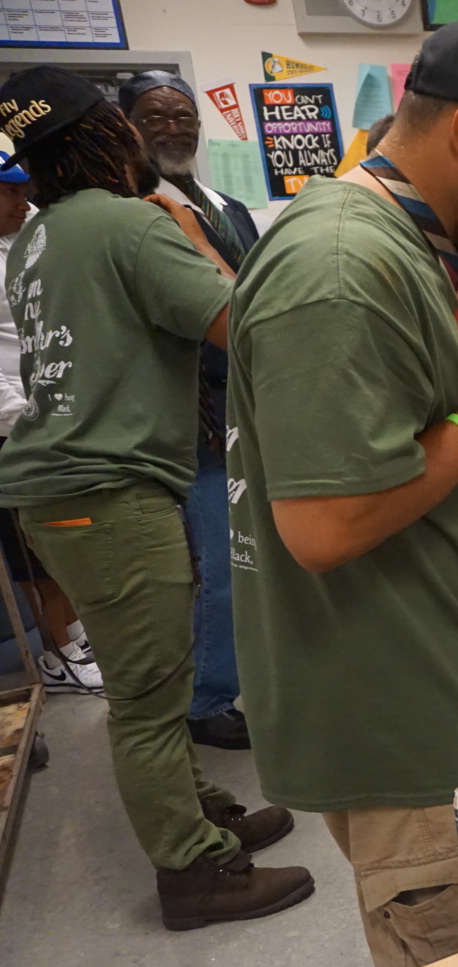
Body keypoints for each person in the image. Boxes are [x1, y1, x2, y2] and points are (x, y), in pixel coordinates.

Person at [227, 21, 458, 967]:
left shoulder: (404, 240)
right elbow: (324, 525)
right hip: (403, 726)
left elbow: (402, 428)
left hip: (437, 684)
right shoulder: (343, 266)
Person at [0, 66, 312, 929]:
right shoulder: (128, 223)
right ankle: (194, 873)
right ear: (105, 134)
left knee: (155, 680)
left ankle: (201, 813)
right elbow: (243, 323)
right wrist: (187, 227)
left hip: (61, 491)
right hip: (106, 488)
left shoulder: (37, 234)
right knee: (147, 698)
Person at [121, 70, 260, 752]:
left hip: (250, 399)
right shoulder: (135, 211)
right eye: (155, 117)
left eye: (183, 117)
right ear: (128, 128)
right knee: (222, 562)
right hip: (196, 410)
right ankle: (206, 701)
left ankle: (246, 679)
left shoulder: (226, 206)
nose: (173, 129)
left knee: (256, 554)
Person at [0, 163, 102, 695]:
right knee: (33, 549)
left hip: (48, 412)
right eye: (9, 193)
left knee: (64, 534)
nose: (23, 202)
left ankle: (77, 635)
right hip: (11, 428)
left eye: (24, 190)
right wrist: (22, 418)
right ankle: (57, 656)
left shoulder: (24, 238)